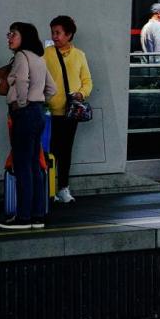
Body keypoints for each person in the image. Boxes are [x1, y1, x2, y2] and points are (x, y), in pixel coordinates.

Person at [0, 21, 52, 229]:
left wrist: (21, 104)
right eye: (9, 33)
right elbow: (53, 88)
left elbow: (21, 81)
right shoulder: (39, 58)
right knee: (34, 166)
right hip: (38, 112)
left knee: (22, 166)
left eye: (13, 34)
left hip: (24, 113)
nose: (9, 38)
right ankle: (37, 215)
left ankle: (23, 218)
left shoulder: (21, 57)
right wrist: (38, 100)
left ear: (24, 37)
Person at [44, 15, 93, 203]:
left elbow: (87, 81)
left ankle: (63, 188)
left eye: (58, 33)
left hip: (71, 113)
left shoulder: (79, 55)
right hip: (49, 112)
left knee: (66, 151)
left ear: (69, 34)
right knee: (49, 151)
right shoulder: (46, 54)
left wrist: (81, 93)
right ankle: (49, 188)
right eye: (53, 33)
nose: (55, 36)